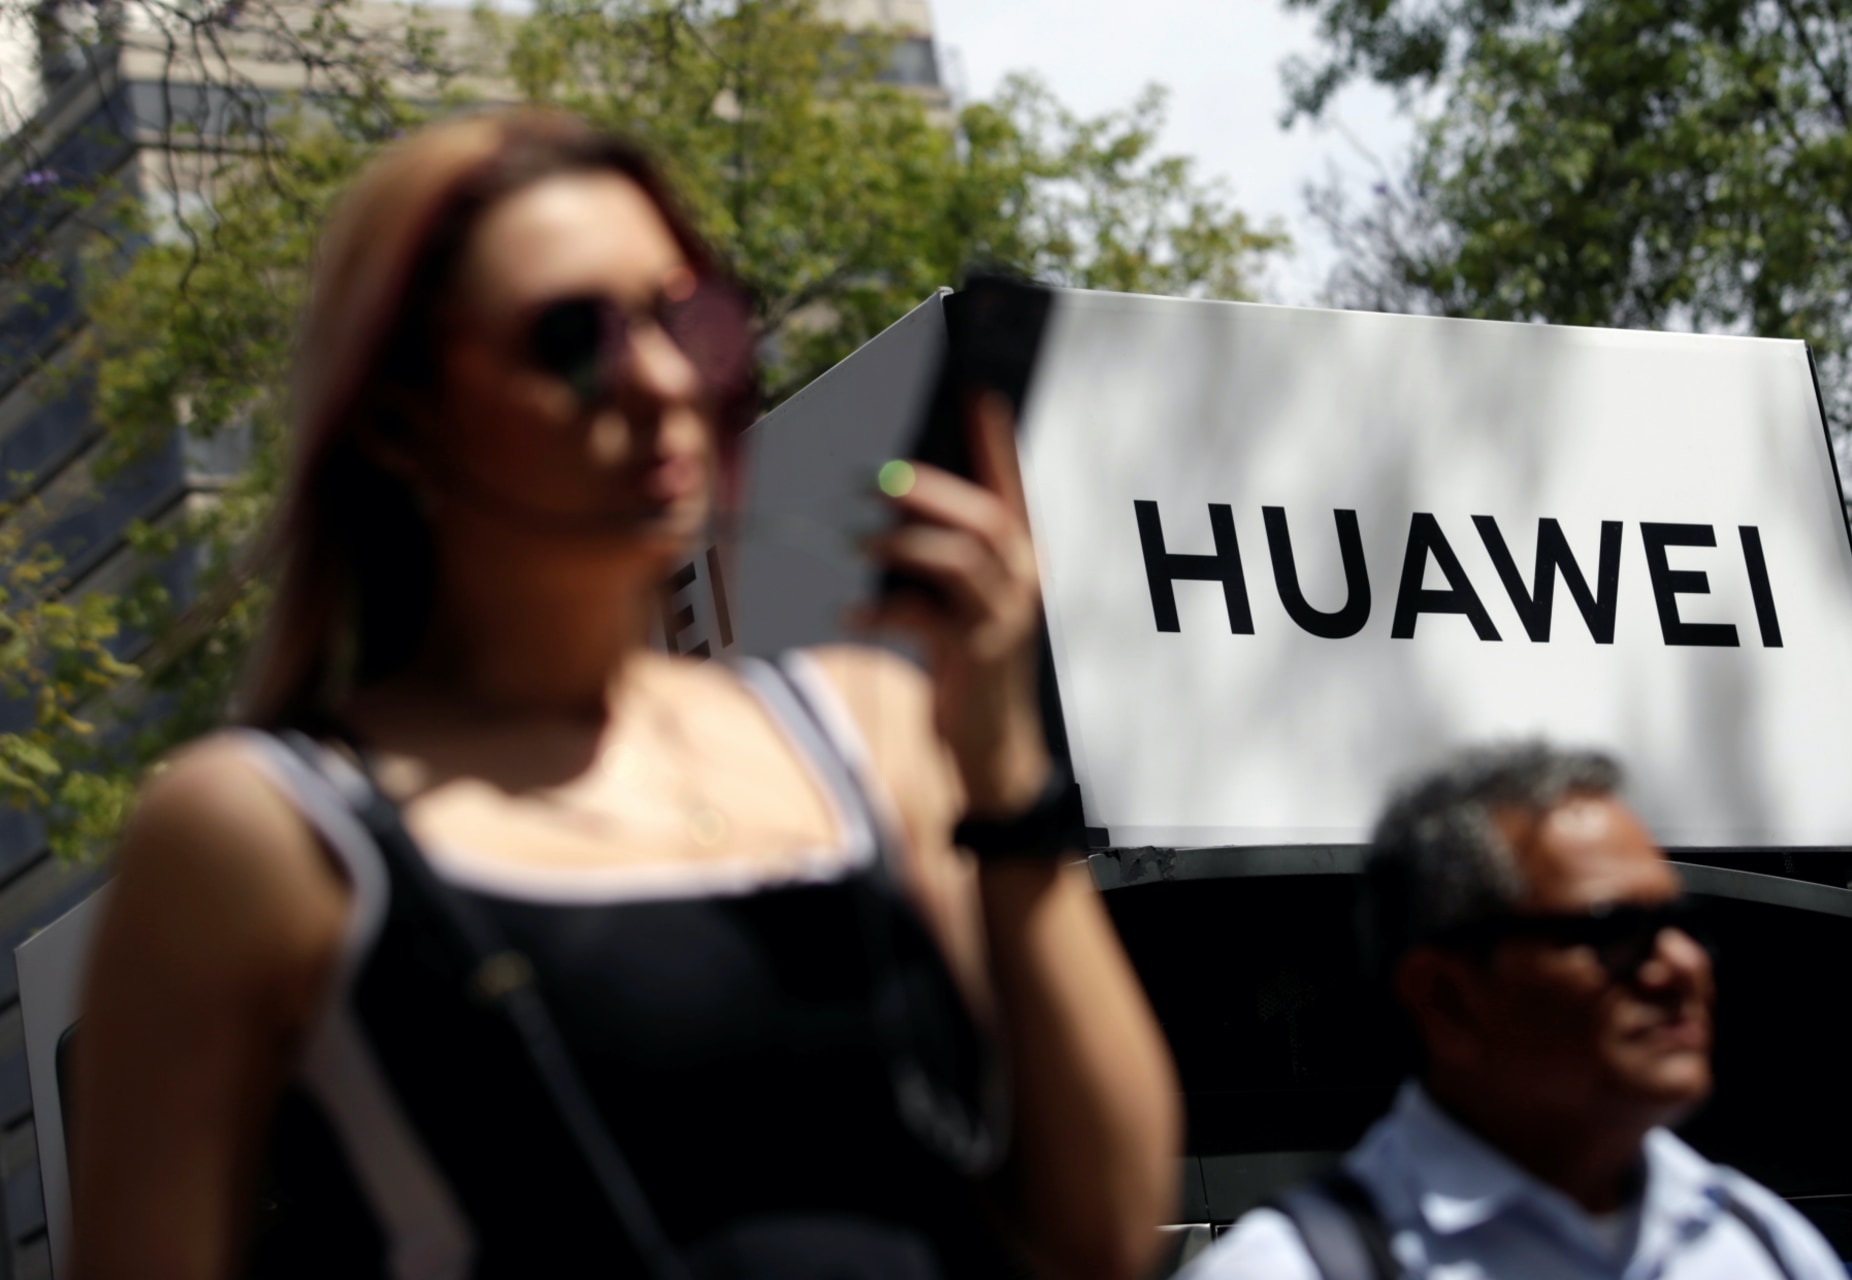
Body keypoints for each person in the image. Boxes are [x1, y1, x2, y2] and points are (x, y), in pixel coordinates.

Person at [67, 108, 1180, 1280]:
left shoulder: (868, 730)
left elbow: (1103, 1229)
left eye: (689, 317)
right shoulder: (261, 831)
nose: (659, 380)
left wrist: (1003, 766)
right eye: (571, 338)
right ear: (399, 416)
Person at [1179, 744, 1849, 1280]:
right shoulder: (1292, 1267)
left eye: (1680, 923)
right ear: (1448, 997)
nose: (1681, 965)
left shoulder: (1766, 1244)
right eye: (1614, 929)